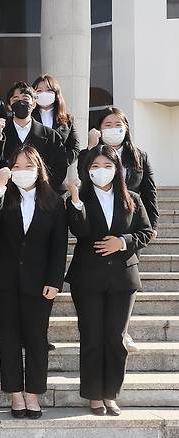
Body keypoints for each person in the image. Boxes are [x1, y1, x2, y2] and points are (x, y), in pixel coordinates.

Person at [65, 145, 153, 416]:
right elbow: (79, 231)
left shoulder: (133, 199)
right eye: (94, 167)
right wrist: (76, 201)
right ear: (87, 170)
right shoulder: (79, 198)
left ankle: (110, 393)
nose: (100, 171)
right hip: (87, 278)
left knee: (116, 338)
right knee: (91, 336)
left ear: (118, 169)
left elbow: (147, 231)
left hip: (122, 278)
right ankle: (93, 395)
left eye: (106, 166)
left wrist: (123, 242)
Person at [0, 146, 67, 419]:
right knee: (8, 339)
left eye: (28, 166)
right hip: (3, 281)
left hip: (40, 283)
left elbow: (59, 246)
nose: (22, 172)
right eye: (16, 166)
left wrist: (55, 280)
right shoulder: (1, 195)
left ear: (39, 169)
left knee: (36, 339)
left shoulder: (54, 201)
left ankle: (33, 394)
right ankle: (15, 395)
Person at [79, 107, 159, 353]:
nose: (113, 129)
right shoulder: (92, 155)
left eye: (118, 124)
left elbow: (149, 192)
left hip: (129, 226)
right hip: (99, 232)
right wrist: (91, 147)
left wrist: (152, 226)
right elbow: (84, 181)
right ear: (99, 128)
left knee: (126, 281)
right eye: (107, 124)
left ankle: (123, 331)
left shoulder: (139, 156)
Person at [0, 81, 67, 191]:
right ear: (9, 106)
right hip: (8, 196)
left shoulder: (51, 135)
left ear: (34, 104)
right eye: (15, 99)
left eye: (25, 99)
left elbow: (59, 167)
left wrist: (45, 190)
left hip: (41, 195)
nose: (21, 102)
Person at [31, 74, 80, 166]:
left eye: (49, 90)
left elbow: (75, 148)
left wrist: (63, 162)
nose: (44, 93)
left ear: (56, 93)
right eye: (39, 91)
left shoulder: (68, 119)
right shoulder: (28, 118)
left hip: (58, 173)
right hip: (33, 170)